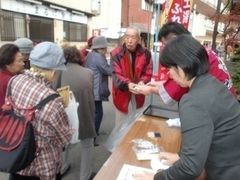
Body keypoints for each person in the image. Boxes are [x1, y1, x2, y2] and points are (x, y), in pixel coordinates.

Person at [135, 34, 240, 180]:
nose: (169, 74)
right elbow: (211, 134)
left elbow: (190, 168)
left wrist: (155, 178)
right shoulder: (213, 84)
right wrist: (180, 157)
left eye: (170, 69)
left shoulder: (193, 101)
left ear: (182, 68)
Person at [8, 41, 73, 180]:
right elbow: (65, 138)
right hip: (41, 168)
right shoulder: (52, 101)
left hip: (16, 158)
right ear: (53, 71)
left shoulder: (14, 81)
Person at [138, 22, 236, 103]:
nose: (166, 49)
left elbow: (174, 91)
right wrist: (154, 84)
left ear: (175, 39)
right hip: (227, 102)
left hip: (216, 106)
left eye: (166, 45)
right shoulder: (199, 50)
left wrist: (150, 89)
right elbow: (180, 82)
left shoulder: (189, 57)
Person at [105, 26, 152, 152]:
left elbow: (148, 71)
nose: (129, 40)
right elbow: (116, 73)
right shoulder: (116, 53)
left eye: (133, 37)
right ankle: (117, 148)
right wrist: (128, 84)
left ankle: (134, 145)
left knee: (138, 118)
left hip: (139, 90)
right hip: (122, 91)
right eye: (127, 37)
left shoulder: (146, 53)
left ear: (139, 39)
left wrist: (143, 81)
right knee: (121, 120)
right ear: (124, 38)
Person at [61, 46, 97, 180]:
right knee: (87, 144)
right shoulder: (88, 72)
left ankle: (62, 167)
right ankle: (85, 176)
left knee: (64, 142)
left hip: (64, 113)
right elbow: (90, 95)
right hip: (84, 111)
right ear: (78, 56)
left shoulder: (58, 73)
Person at [85, 36, 112, 138]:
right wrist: (113, 61)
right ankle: (93, 135)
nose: (106, 50)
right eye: (105, 48)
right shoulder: (99, 57)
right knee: (98, 113)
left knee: (93, 113)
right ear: (101, 48)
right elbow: (108, 71)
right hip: (96, 89)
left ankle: (93, 133)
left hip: (90, 87)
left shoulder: (90, 55)